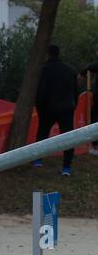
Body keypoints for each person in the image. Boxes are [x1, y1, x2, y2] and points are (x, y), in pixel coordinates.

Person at [31, 45, 78, 178]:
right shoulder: (70, 70)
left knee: (42, 134)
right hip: (66, 109)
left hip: (48, 109)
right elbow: (75, 92)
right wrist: (73, 106)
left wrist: (40, 108)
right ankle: (66, 167)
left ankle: (38, 160)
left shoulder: (45, 70)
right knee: (69, 138)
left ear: (48, 54)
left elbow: (41, 92)